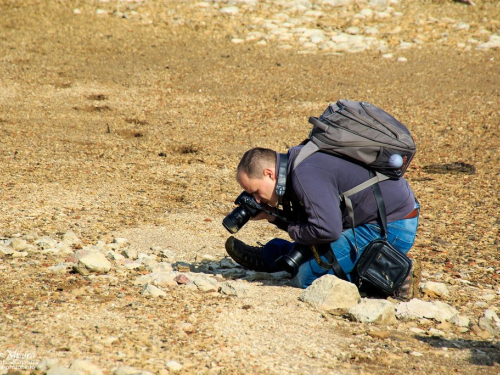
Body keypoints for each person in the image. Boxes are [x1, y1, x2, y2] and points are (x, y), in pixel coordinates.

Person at [225, 146, 420, 298]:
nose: (257, 200)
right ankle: (272, 258)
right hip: (373, 216)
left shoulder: (304, 174)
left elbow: (327, 231)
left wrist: (292, 229)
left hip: (393, 225)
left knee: (305, 275)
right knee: (307, 254)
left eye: (255, 192)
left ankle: (392, 273)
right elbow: (315, 219)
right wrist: (272, 216)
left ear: (269, 173)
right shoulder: (298, 159)